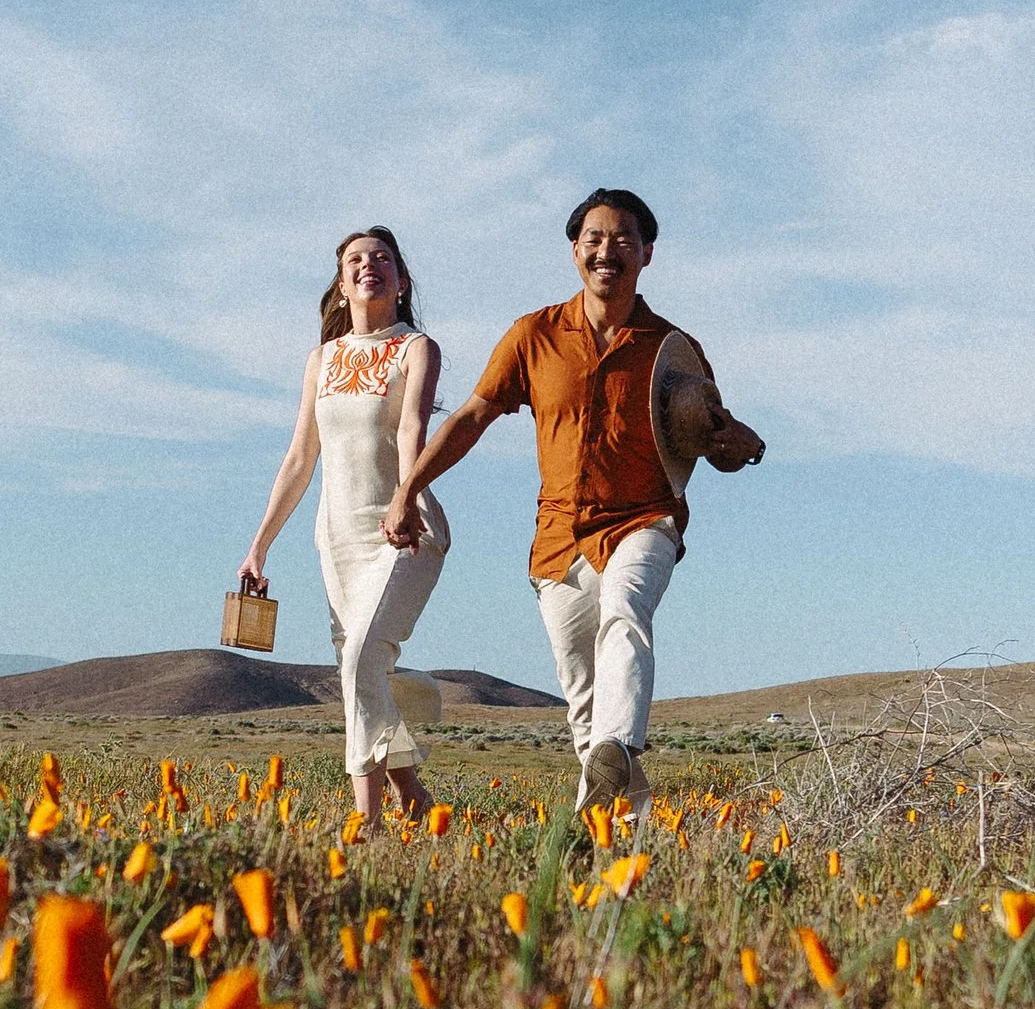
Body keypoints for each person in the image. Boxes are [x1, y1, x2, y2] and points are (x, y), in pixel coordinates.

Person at [382, 190, 762, 812]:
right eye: (594, 239)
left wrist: (741, 444)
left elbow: (706, 440)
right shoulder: (534, 335)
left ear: (647, 254)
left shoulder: (672, 347)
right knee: (584, 703)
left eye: (623, 239)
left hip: (645, 520)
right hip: (559, 539)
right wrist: (408, 488)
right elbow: (472, 416)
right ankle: (618, 832)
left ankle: (620, 743)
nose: (607, 251)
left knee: (625, 611)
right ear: (575, 250)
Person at [238, 226, 447, 821]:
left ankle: (366, 819)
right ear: (341, 285)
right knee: (360, 670)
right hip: (336, 537)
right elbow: (300, 457)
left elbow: (411, 430)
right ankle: (413, 795)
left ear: (401, 282)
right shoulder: (322, 360)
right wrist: (259, 546)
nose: (367, 265)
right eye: (355, 259)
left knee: (360, 660)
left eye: (381, 258)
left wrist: (406, 498)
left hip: (403, 528)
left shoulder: (415, 348)